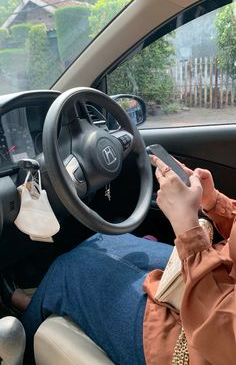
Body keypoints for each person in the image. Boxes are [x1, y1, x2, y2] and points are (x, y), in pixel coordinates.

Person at [21, 155, 236, 364]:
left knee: (68, 270)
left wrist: (186, 226)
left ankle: (24, 341)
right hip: (221, 276)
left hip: (201, 341)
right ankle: (45, 300)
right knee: (103, 241)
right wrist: (215, 202)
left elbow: (224, 334)